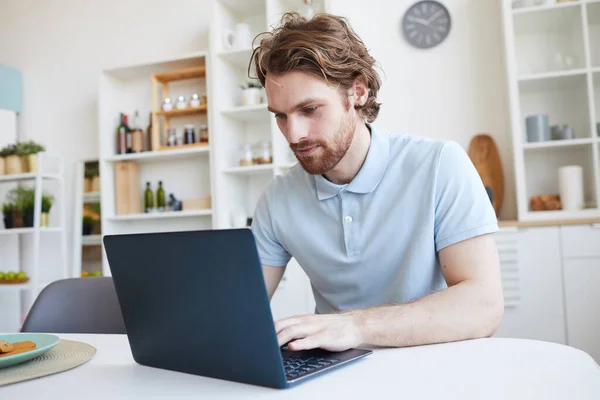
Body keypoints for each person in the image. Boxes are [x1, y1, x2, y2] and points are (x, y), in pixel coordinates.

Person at [249, 12, 503, 352]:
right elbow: (242, 309)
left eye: (309, 109)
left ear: (358, 91)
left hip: (434, 362)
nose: (293, 134)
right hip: (334, 373)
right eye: (280, 115)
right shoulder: (277, 199)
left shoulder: (440, 165)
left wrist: (355, 326)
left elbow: (483, 305)